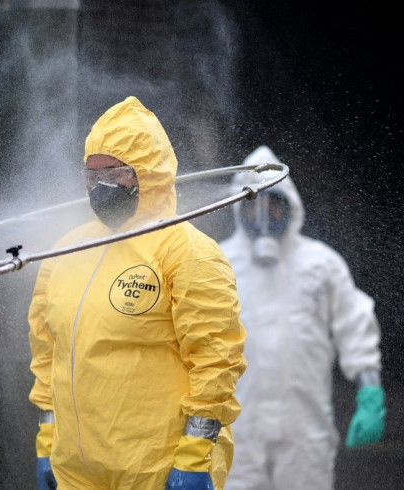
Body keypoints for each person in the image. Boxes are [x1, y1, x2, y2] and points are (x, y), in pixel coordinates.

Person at [27, 96, 247, 490]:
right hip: (76, 472)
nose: (100, 187)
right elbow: (48, 351)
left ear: (148, 173)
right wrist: (48, 438)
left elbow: (216, 358)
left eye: (114, 173)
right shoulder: (65, 251)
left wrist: (196, 454)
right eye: (91, 176)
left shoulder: (186, 251)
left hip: (156, 471)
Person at [220, 145, 386, 490]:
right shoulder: (218, 263)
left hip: (304, 428)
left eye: (273, 205)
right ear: (239, 208)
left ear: (289, 206)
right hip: (238, 429)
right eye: (253, 206)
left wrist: (370, 391)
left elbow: (354, 323)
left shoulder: (320, 263)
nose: (263, 216)